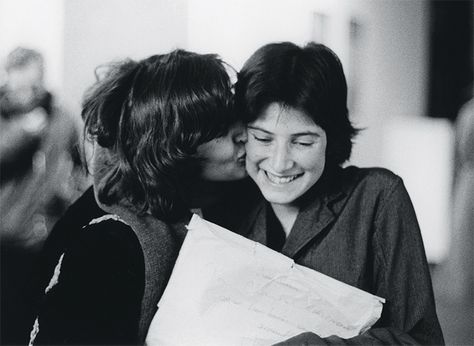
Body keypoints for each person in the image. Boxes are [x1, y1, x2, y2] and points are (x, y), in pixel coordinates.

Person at [29, 49, 248, 345]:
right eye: (219, 129)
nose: (244, 134)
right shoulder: (109, 243)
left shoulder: (196, 203)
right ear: (173, 146)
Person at [234, 42, 444, 345]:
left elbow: (423, 340)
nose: (280, 163)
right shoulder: (231, 201)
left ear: (331, 138)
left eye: (303, 143)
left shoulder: (378, 198)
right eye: (263, 139)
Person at [0, 47, 88, 345]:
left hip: (43, 239)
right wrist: (23, 133)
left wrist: (69, 193)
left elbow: (80, 168)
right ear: (8, 81)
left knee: (33, 323)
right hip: (3, 238)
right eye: (21, 87)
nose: (29, 95)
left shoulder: (61, 119)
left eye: (34, 86)